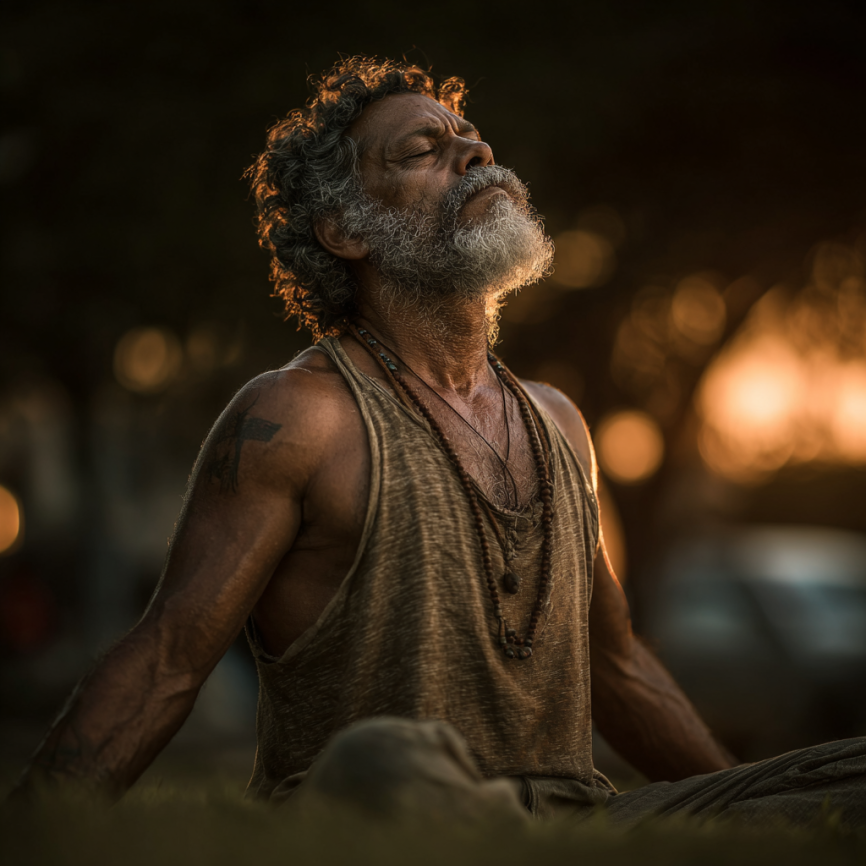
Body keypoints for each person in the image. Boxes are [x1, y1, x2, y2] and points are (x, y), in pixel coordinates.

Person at [14, 57, 866, 827]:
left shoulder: (561, 422)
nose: (474, 153)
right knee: (385, 761)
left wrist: (735, 808)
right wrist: (31, 831)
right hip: (389, 810)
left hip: (577, 825)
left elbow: (618, 670)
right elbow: (167, 659)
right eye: (424, 149)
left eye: (471, 138)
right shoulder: (300, 416)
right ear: (345, 231)